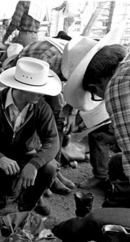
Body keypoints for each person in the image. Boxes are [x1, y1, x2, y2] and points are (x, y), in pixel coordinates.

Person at [0, 57, 61, 216]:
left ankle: (27, 205)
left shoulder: (41, 107)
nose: (42, 94)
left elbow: (53, 140)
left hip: (26, 154)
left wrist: (34, 164)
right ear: (22, 88)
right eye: (37, 89)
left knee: (50, 166)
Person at [61, 31, 128, 206]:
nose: (101, 98)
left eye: (95, 95)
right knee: (115, 162)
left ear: (95, 84)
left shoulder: (117, 85)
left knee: (104, 219)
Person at [14, 36, 76, 195]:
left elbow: (76, 88)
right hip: (31, 73)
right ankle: (46, 174)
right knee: (36, 117)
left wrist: (72, 111)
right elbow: (39, 89)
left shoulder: (79, 64)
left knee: (59, 119)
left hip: (51, 72)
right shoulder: (52, 61)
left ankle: (55, 170)